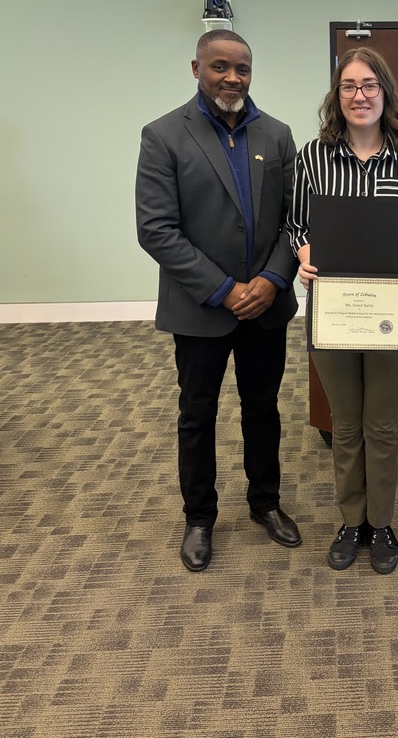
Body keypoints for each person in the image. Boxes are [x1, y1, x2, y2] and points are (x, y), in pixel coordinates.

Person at [136, 29, 301, 572]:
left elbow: (292, 221)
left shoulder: (277, 135)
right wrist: (226, 289)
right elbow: (156, 230)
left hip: (266, 307)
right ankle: (199, 517)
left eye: (243, 68)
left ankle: (265, 503)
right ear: (196, 68)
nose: (232, 78)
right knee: (197, 414)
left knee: (263, 410)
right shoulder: (163, 135)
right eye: (220, 67)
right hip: (201, 308)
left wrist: (273, 279)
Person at [287, 48, 398, 575]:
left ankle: (383, 521)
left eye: (369, 84)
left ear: (385, 92)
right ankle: (352, 521)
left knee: (383, 422)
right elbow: (296, 225)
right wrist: (302, 252)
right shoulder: (311, 158)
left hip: (393, 307)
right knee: (345, 423)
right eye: (348, 86)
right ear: (337, 96)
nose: (360, 94)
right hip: (333, 309)